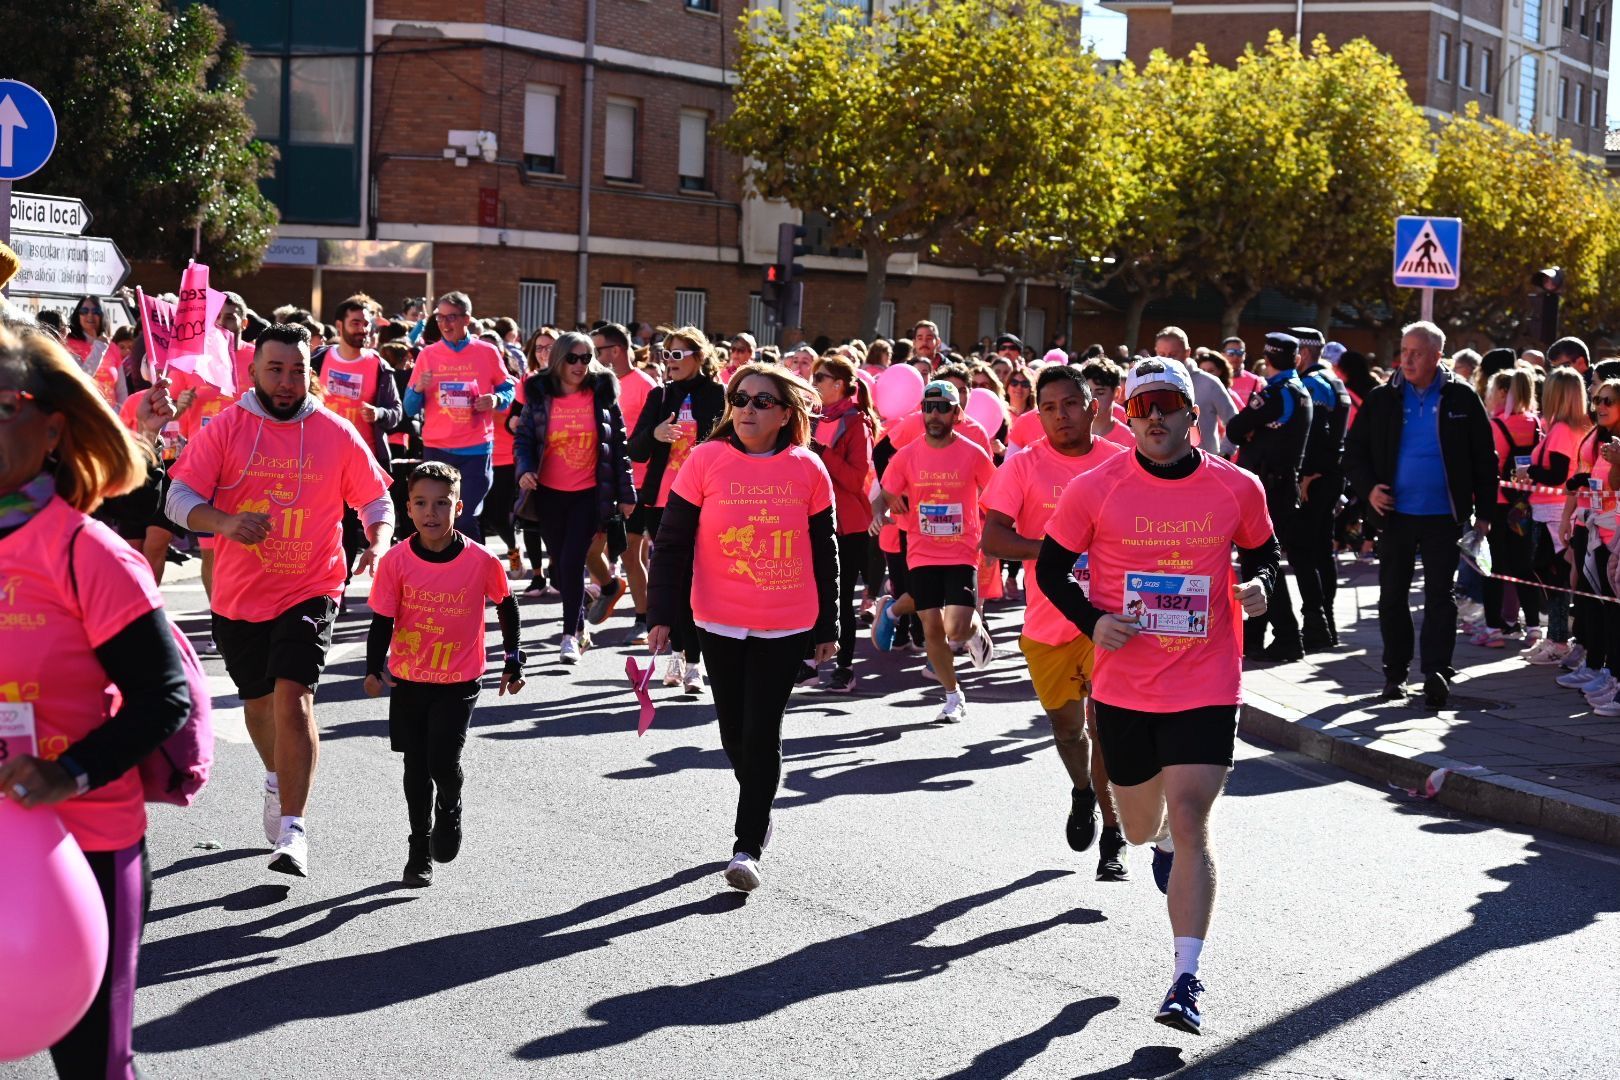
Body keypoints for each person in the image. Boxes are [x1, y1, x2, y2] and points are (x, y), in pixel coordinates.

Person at [1035, 355, 1280, 1036]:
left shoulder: (1236, 486)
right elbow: (1051, 570)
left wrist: (1261, 587)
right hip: (1126, 687)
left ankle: (1185, 980)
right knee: (1143, 827)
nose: (1155, 419)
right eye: (1142, 408)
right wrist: (1093, 622)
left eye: (1167, 405)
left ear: (1191, 415)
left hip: (1207, 679)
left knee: (1194, 818)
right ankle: (1161, 840)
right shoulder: (1095, 487)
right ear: (1127, 416)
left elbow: (1266, 553)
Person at [0, 327, 192, 1080]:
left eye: (1, 405)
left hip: (83, 843)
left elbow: (162, 697)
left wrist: (66, 773)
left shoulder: (88, 553)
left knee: (92, 1067)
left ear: (53, 429)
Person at [168, 324, 395, 876]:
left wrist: (378, 541)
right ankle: (276, 778)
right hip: (240, 593)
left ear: (310, 374)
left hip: (312, 584)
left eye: (298, 371)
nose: (288, 381)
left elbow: (376, 500)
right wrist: (224, 522)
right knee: (258, 704)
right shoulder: (227, 427)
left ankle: (294, 830)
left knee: (294, 698)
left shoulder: (335, 431)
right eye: (276, 370)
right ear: (254, 372)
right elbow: (177, 498)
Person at [645, 362, 839, 892]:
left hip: (787, 621)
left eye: (762, 401)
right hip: (718, 618)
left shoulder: (808, 468)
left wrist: (829, 624)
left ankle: (747, 845)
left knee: (761, 729)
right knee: (734, 732)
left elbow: (825, 553)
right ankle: (760, 798)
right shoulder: (704, 460)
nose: (747, 409)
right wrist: (660, 614)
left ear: (785, 414)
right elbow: (672, 543)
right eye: (740, 398)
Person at [981, 365, 1130, 880]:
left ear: (1093, 407)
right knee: (1069, 731)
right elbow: (993, 538)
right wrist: (1055, 551)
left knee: (1105, 728)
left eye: (1069, 404)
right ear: (1037, 416)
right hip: (1048, 623)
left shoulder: (1122, 462)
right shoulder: (1023, 466)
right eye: (1048, 408)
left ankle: (1114, 835)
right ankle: (1083, 791)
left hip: (1109, 619)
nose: (1060, 415)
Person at [364, 462, 524, 886]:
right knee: (416, 767)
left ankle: (449, 805)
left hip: (459, 680)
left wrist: (513, 659)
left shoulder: (481, 560)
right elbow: (382, 619)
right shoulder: (396, 561)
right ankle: (419, 848)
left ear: (459, 507)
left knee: (442, 762)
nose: (430, 512)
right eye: (420, 503)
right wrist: (373, 667)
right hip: (410, 679)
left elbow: (506, 605)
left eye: (441, 503)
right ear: (408, 509)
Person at [1343, 320, 1497, 707]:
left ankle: (1436, 673)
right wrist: (1369, 489)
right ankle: (1395, 674)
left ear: (1437, 356)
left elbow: (1485, 458)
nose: (1407, 360)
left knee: (1440, 596)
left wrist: (1485, 512)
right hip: (1395, 514)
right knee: (1392, 596)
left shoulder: (1461, 397)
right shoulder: (1383, 398)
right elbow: (1354, 452)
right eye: (1404, 351)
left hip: (1444, 516)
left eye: (1417, 353)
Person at [872, 381, 997, 722]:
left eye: (943, 407)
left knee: (956, 628)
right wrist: (882, 510)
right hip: (922, 550)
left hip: (961, 550)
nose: (935, 414)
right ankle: (953, 696)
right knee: (932, 627)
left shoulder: (973, 453)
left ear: (957, 414)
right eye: (929, 408)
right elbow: (884, 492)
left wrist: (994, 537)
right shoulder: (907, 454)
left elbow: (997, 495)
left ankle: (974, 632)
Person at [514, 332, 636, 662]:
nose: (580, 365)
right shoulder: (540, 393)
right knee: (561, 566)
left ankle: (570, 635)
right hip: (549, 494)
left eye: (586, 358)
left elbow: (619, 447)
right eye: (572, 358)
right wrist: (525, 469)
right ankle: (580, 629)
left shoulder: (602, 393)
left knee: (571, 561)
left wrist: (627, 493)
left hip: (589, 495)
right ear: (558, 359)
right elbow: (524, 439)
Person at [628, 326, 727, 690]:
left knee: (697, 580)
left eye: (677, 354)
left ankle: (694, 661)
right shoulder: (659, 396)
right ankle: (679, 656)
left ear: (698, 357)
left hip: (706, 499)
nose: (669, 361)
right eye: (666, 354)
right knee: (676, 579)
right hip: (662, 500)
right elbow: (635, 449)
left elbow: (732, 444)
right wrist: (654, 435)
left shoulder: (718, 395)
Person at [1227, 333, 1312, 662]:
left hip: (1269, 488)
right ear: (1296, 359)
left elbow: (1235, 428)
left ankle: (1287, 636)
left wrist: (1252, 430)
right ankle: (1256, 636)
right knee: (1258, 562)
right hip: (1281, 485)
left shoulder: (1276, 393)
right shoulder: (1299, 391)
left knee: (1261, 562)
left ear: (1267, 358)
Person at [403, 291, 515, 540]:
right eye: (440, 317)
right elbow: (409, 408)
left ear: (467, 319)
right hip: (437, 448)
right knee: (438, 519)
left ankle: (473, 563)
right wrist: (418, 388)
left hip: (475, 450)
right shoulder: (428, 355)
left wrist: (495, 400)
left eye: (451, 317)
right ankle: (444, 563)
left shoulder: (487, 352)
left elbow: (508, 389)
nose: (444, 323)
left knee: (464, 516)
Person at [316, 295, 405, 606]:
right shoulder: (318, 360)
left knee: (354, 528)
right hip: (319, 459)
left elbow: (396, 412)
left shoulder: (378, 365)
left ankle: (343, 588)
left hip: (361, 461)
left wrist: (378, 413)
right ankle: (327, 587)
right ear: (339, 326)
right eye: (356, 323)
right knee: (326, 526)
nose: (363, 329)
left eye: (366, 324)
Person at [810, 353, 878, 691]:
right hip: (812, 518)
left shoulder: (857, 424)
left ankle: (845, 667)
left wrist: (822, 453)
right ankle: (809, 662)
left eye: (820, 378)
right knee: (809, 594)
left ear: (838, 384)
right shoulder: (810, 418)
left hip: (847, 526)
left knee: (840, 599)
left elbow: (854, 479)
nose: (813, 383)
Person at [596, 322, 660, 641]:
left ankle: (646, 618)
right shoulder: (600, 384)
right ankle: (641, 612)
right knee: (627, 551)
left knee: (634, 551)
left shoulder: (645, 385)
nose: (594, 356)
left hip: (644, 482)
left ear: (617, 350)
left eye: (599, 350)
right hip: (614, 480)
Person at [1523, 368, 1589, 666]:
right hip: (1556, 509)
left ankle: (1559, 639)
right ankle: (1556, 637)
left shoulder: (1562, 429)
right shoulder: (1573, 427)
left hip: (1554, 510)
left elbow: (1557, 475)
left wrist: (1529, 471)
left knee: (1554, 576)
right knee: (1554, 576)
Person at [1475, 368, 1543, 648]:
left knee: (1493, 568)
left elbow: (1487, 467)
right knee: (1524, 566)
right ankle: (1534, 627)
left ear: (1505, 393)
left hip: (1498, 504)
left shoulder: (1495, 425)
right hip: (1525, 505)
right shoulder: (1535, 422)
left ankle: (1493, 630)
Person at [1154, 327, 1237, 457]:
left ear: (1187, 352)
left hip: (1203, 463)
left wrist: (1225, 453)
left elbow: (1235, 422)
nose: (1167, 359)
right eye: (1162, 354)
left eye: (1173, 354)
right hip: (1159, 462)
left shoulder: (1209, 383)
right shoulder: (1148, 383)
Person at [63, 294, 125, 407]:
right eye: (84, 311)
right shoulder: (69, 345)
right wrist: (99, 347)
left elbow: (121, 390)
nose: (90, 315)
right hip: (84, 411)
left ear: (103, 315)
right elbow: (80, 379)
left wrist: (122, 411)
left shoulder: (112, 347)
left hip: (111, 413)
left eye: (96, 311)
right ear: (78, 315)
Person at [1081, 361, 1135, 449]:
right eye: (1087, 392)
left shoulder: (1130, 441)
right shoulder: (1070, 433)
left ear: (1117, 393)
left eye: (1100, 393)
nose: (1093, 398)